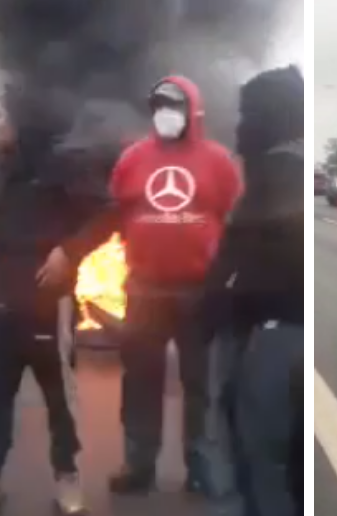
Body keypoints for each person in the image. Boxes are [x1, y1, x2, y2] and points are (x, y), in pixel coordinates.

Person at [0, 102, 116, 514]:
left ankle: (67, 478)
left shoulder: (65, 166)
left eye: (3, 116)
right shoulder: (6, 166)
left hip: (47, 304)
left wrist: (68, 252)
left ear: (23, 124)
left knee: (60, 397)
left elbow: (107, 213)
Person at [108, 76, 242, 496]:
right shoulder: (131, 159)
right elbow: (115, 213)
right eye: (158, 105)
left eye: (173, 104)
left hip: (199, 291)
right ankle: (139, 463)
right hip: (144, 289)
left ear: (192, 110)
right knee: (140, 380)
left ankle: (200, 465)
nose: (165, 112)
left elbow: (232, 218)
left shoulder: (218, 161)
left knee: (200, 383)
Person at [201, 66, 305, 516]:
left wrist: (208, 311)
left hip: (271, 337)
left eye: (247, 114)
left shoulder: (276, 177)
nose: (239, 125)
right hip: (281, 332)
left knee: (259, 464)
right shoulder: (277, 172)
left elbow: (246, 268)